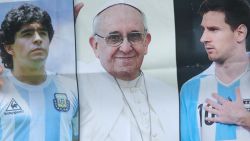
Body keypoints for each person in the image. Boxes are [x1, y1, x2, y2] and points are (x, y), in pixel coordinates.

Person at [79, 1, 179, 141]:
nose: (126, 48)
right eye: (114, 38)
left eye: (135, 36)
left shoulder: (170, 95)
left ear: (146, 42)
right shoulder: (78, 87)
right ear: (95, 46)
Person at [0, 4, 78, 141]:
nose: (38, 39)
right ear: (9, 48)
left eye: (43, 33)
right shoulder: (2, 88)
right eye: (27, 34)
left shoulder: (71, 88)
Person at [180, 0, 250, 140]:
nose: (203, 38)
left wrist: (245, 119)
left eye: (213, 29)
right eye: (203, 30)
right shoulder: (190, 89)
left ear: (240, 33)